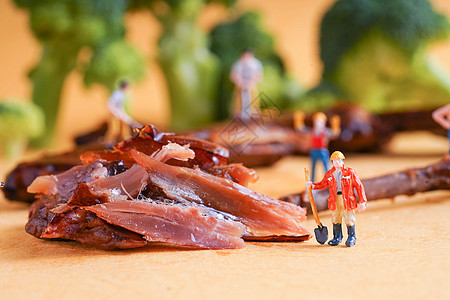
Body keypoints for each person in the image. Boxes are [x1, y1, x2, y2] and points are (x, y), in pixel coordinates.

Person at [306, 151, 367, 247]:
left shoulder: (350, 172)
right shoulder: (329, 174)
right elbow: (323, 184)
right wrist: (312, 185)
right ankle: (337, 237)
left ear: (342, 161)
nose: (337, 162)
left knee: (349, 218)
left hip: (347, 199)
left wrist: (362, 201)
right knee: (336, 218)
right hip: (335, 199)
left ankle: (352, 237)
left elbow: (359, 186)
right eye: (334, 161)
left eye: (338, 160)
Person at [295, 111, 340, 181]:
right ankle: (312, 182)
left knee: (326, 167)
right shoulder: (312, 131)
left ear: (324, 123)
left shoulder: (325, 132)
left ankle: (329, 181)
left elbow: (335, 134)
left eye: (320, 122)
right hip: (314, 151)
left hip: (323, 151)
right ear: (314, 122)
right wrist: (298, 120)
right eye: (317, 121)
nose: (319, 123)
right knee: (313, 167)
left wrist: (335, 124)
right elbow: (301, 129)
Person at [230, 49, 263, 121]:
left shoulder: (256, 64)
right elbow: (234, 75)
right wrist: (240, 83)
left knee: (254, 96)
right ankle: (238, 113)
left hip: (252, 84)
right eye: (244, 55)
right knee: (238, 98)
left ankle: (254, 111)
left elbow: (258, 74)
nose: (246, 57)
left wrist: (251, 82)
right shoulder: (238, 64)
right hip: (240, 84)